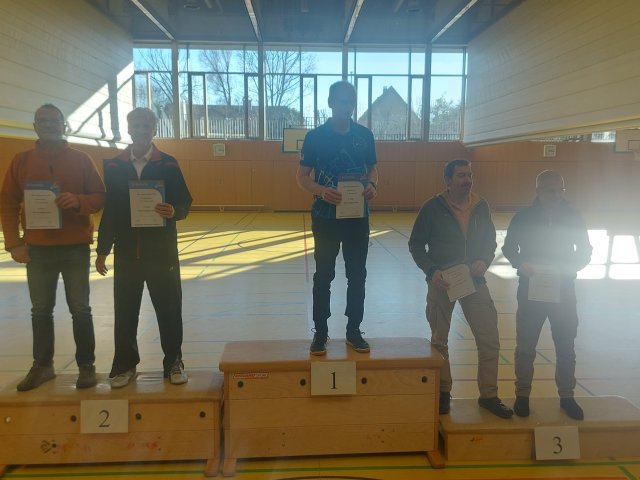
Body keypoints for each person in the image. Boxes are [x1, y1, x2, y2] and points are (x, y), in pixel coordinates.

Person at [0, 104, 105, 391]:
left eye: (54, 121)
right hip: (37, 250)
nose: (48, 125)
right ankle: (43, 366)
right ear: (35, 127)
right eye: (42, 121)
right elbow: (7, 203)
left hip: (75, 249)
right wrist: (14, 244)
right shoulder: (21, 161)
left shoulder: (81, 159)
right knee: (40, 310)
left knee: (80, 309)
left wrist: (79, 201)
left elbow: (99, 196)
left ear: (64, 125)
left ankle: (86, 365)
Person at [95, 107, 192, 388]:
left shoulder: (169, 164)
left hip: (162, 253)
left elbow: (185, 201)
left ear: (154, 130)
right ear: (128, 129)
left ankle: (173, 362)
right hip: (127, 253)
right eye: (136, 125)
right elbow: (111, 210)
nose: (140, 130)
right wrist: (103, 249)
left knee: (169, 309)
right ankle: (124, 365)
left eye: (146, 126)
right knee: (125, 311)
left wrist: (174, 210)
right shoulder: (115, 166)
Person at [408, 159, 512, 418]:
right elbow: (416, 244)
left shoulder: (481, 206)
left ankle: (489, 395)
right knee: (439, 340)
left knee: (489, 338)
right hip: (442, 282)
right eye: (461, 176)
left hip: (474, 282)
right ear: (448, 180)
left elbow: (490, 241)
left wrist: (484, 260)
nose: (467, 180)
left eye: (469, 175)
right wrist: (432, 271)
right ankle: (443, 392)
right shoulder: (432, 207)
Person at [296, 80, 378, 356]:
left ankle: (354, 331)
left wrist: (373, 185)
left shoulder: (365, 136)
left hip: (357, 218)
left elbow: (373, 170)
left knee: (357, 276)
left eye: (351, 102)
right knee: (324, 276)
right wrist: (321, 191)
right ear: (330, 103)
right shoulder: (315, 137)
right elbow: (301, 177)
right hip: (325, 219)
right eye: (342, 101)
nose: (347, 107)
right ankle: (320, 332)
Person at [502, 170, 592, 420]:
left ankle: (567, 396)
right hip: (531, 291)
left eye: (560, 189)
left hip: (564, 292)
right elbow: (509, 248)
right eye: (551, 190)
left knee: (566, 346)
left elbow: (585, 251)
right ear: (538, 191)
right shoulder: (523, 217)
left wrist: (570, 268)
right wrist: (521, 263)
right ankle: (522, 395)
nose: (557, 194)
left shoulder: (573, 216)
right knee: (525, 347)